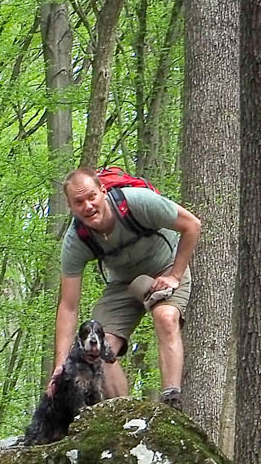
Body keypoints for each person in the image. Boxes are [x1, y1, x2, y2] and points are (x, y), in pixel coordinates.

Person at [49, 169, 201, 407]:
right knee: (97, 347)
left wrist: (175, 276)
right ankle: (125, 417)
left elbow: (192, 225)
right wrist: (60, 366)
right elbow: (68, 306)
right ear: (70, 207)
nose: (88, 206)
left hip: (166, 266)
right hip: (123, 284)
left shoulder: (138, 203)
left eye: (92, 197)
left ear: (103, 191)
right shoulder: (76, 240)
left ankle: (172, 400)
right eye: (79, 202)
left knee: (166, 316)